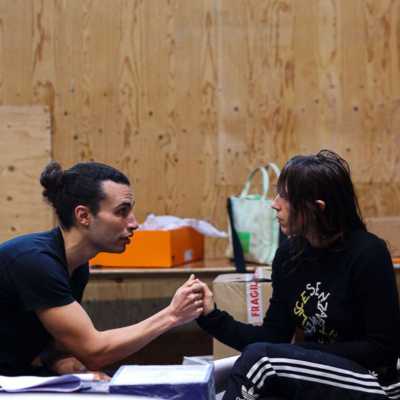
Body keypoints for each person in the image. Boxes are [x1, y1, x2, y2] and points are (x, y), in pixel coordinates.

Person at [197, 150, 400, 399]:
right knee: (262, 379)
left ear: (317, 208)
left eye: (285, 197)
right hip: (316, 372)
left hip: (375, 381)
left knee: (262, 361)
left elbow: (382, 349)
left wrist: (300, 353)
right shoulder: (289, 256)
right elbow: (272, 336)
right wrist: (210, 315)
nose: (274, 204)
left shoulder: (369, 253)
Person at [0, 161, 204, 377]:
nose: (134, 223)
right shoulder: (36, 262)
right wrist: (172, 315)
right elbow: (94, 351)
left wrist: (65, 363)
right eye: (122, 211)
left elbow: (55, 343)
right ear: (83, 216)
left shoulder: (76, 266)